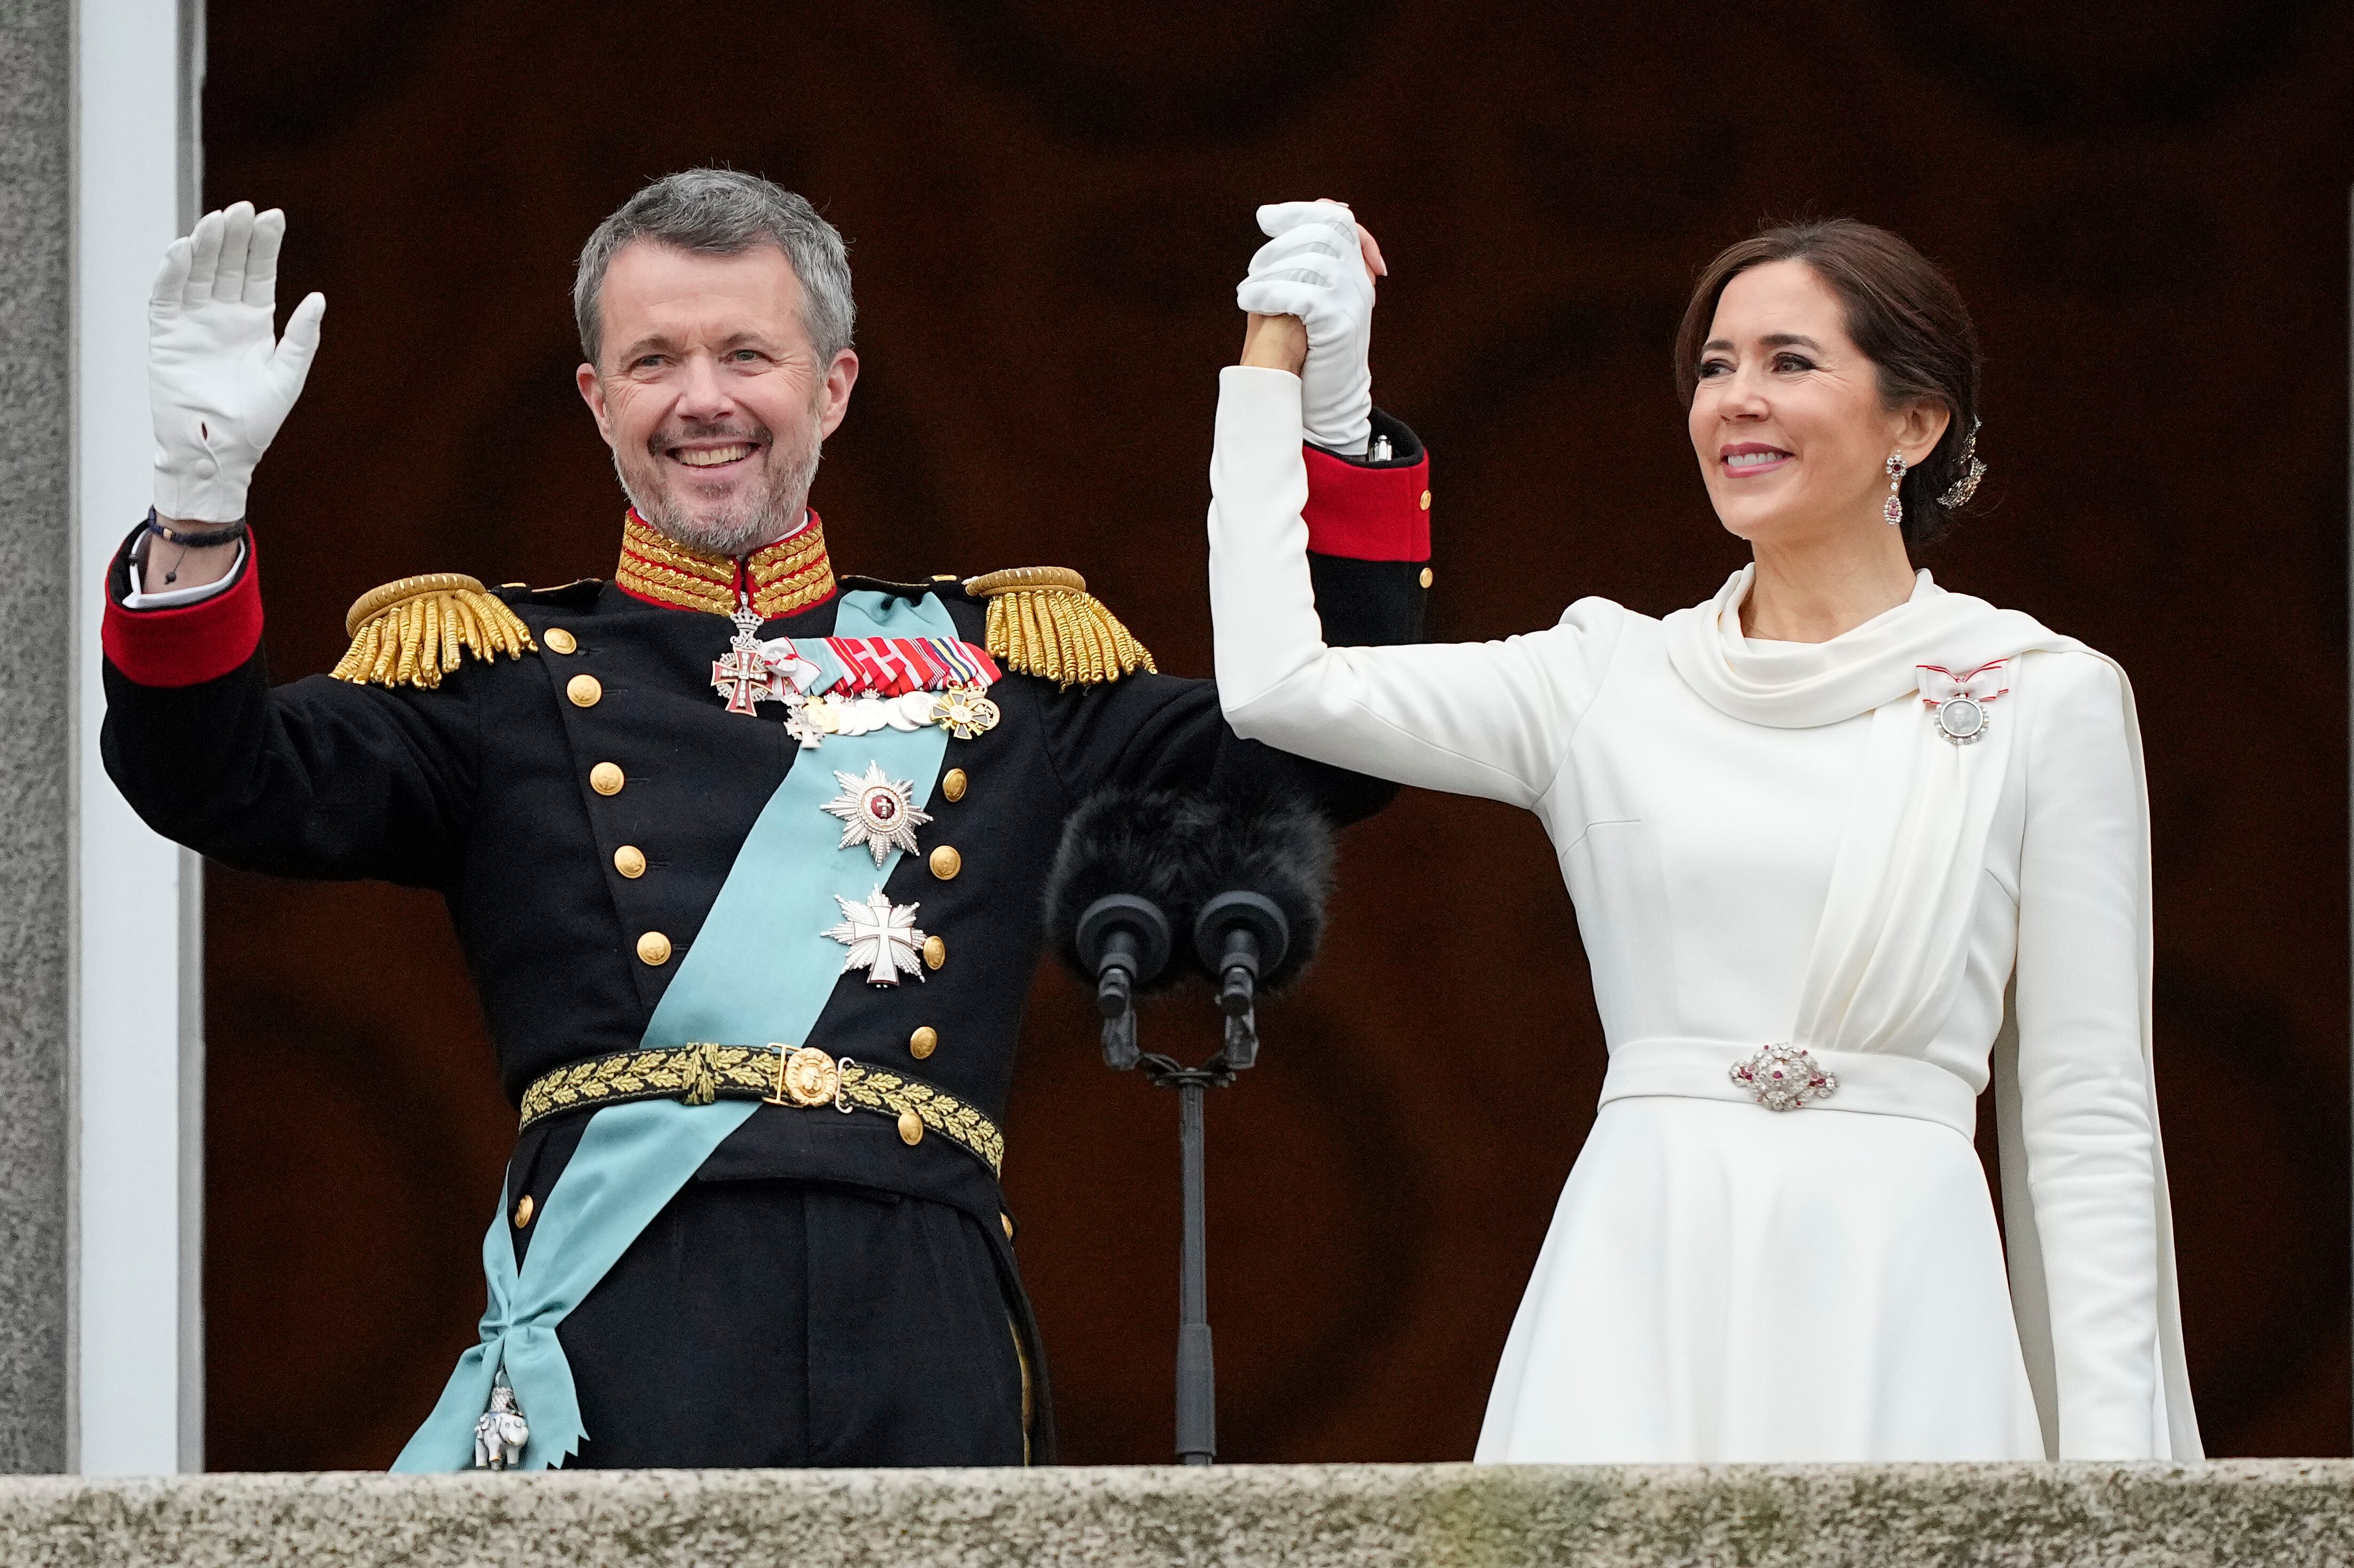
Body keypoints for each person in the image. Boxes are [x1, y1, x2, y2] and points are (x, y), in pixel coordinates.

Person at [99, 170, 1436, 1469]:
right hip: (626, 1321)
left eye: (748, 354)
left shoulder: (1012, 664)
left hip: (926, 1317)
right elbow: (218, 779)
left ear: (833, 387)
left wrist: (1334, 428)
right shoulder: (492, 675)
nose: (702, 401)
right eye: (653, 362)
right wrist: (200, 514)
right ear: (596, 400)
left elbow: (1331, 753)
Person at [1209, 203, 2200, 1462]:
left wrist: (2119, 1482)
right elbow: (1278, 688)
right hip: (1640, 1271)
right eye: (1714, 368)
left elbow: (2088, 1115)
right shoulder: (1604, 678)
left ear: (1915, 421)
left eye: (1791, 362)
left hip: (1904, 1285)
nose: (1737, 399)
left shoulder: (2040, 692)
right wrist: (1290, 389)